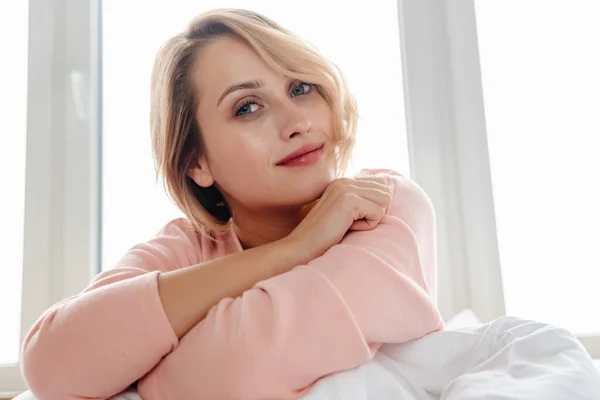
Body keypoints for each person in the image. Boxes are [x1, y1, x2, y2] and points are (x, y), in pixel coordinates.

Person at [20, 8, 443, 400]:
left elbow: (235, 370)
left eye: (301, 87)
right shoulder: (185, 247)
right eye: (248, 107)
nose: (297, 122)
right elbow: (49, 365)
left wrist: (143, 370)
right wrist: (292, 250)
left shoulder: (386, 207)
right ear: (196, 162)